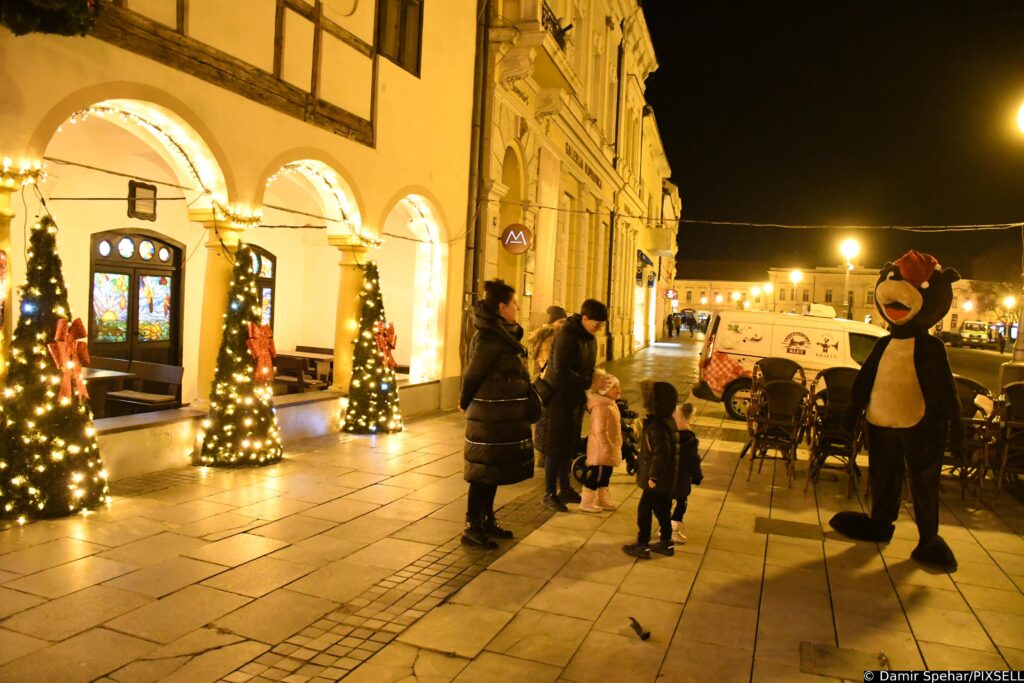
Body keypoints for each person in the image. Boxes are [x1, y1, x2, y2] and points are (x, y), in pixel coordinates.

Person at [459, 280, 535, 548]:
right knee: (483, 471)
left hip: (500, 412)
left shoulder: (503, 334)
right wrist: (464, 402)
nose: (517, 307)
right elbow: (473, 374)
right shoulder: (490, 338)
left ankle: (487, 519)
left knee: (493, 471)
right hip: (489, 415)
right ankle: (472, 525)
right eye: (514, 303)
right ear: (502, 307)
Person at [536, 298, 608, 512]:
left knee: (568, 446)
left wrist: (594, 380)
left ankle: (565, 488)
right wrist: (588, 382)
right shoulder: (567, 336)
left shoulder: (589, 338)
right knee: (555, 447)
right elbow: (560, 371)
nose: (599, 328)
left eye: (602, 325)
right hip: (558, 399)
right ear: (585, 318)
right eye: (596, 323)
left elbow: (587, 367)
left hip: (575, 398)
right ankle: (550, 493)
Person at [623, 380, 680, 559]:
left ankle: (643, 544)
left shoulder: (657, 426)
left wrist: (653, 477)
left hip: (657, 480)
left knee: (644, 510)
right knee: (662, 511)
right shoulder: (666, 422)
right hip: (665, 479)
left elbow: (661, 454)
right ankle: (666, 542)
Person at [578, 371, 623, 513]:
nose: (618, 390)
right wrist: (607, 446)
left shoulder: (610, 404)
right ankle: (586, 502)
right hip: (601, 449)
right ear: (604, 390)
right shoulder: (601, 406)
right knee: (597, 475)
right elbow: (599, 430)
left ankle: (602, 499)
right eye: (614, 387)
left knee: (606, 475)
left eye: (618, 386)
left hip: (609, 447)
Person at [671, 402, 704, 543]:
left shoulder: (667, 436)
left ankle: (664, 527)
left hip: (666, 477)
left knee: (665, 503)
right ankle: (674, 527)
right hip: (681, 478)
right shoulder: (689, 439)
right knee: (681, 502)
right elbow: (693, 460)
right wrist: (697, 476)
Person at [525, 306, 568, 378]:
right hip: (552, 378)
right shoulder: (550, 337)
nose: (563, 325)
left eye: (565, 322)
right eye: (560, 322)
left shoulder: (547, 335)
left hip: (546, 377)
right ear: (551, 322)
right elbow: (550, 364)